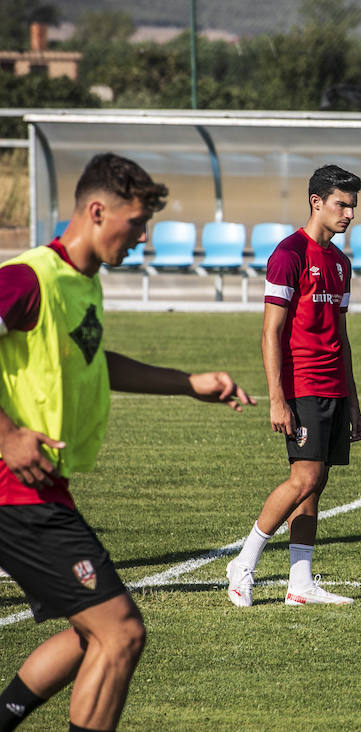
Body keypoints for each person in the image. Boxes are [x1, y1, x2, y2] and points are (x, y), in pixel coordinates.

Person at [0, 152, 255, 731]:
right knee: (121, 633)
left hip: (40, 488)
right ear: (96, 211)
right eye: (136, 224)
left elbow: (95, 363)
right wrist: (9, 434)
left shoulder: (81, 285)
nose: (141, 238)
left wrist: (188, 384)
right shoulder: (30, 275)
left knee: (92, 635)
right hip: (13, 491)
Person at [225, 165, 361, 608]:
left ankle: (300, 583)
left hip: (334, 388)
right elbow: (271, 333)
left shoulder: (341, 263)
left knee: (316, 482)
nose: (348, 214)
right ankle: (242, 565)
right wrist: (277, 398)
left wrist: (355, 403)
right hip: (301, 385)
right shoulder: (288, 254)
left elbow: (341, 338)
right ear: (316, 202)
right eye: (342, 204)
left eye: (353, 207)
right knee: (302, 477)